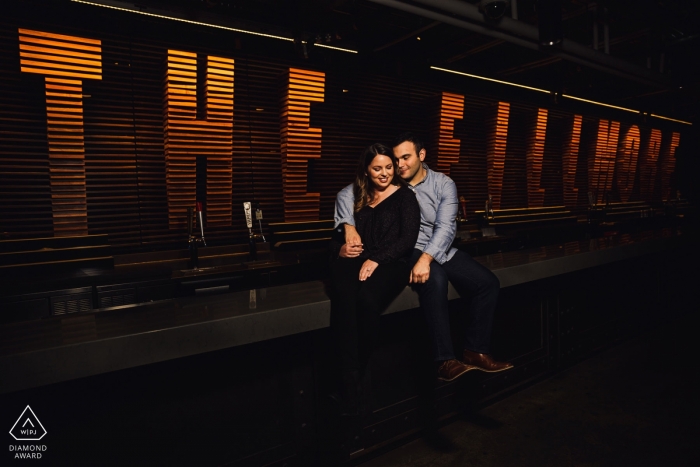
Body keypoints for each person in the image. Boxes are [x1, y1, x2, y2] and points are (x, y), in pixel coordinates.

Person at [334, 132, 513, 382]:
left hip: (440, 249)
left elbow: (446, 228)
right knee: (436, 282)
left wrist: (426, 258)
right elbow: (348, 192)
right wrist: (347, 224)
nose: (399, 165)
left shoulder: (443, 183)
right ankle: (445, 360)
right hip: (408, 249)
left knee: (488, 283)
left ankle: (475, 350)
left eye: (405, 158)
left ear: (421, 155)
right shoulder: (391, 183)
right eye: (395, 159)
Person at [329, 142, 421, 415]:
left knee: (367, 300)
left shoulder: (405, 197)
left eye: (389, 167)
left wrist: (377, 258)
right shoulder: (356, 198)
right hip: (360, 261)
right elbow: (333, 243)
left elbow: (408, 240)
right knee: (344, 302)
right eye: (377, 168)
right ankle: (348, 378)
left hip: (393, 262)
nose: (384, 173)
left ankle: (357, 370)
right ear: (367, 171)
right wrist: (342, 248)